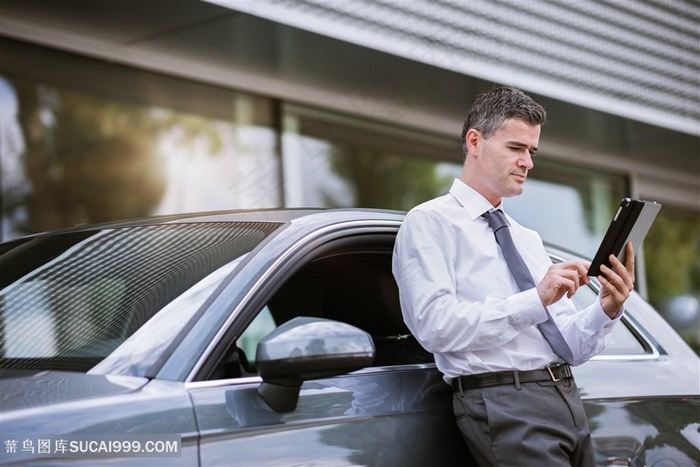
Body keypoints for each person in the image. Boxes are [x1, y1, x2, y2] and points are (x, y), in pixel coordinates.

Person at [392, 86, 635, 466]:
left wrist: (605, 310)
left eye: (532, 152)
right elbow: (434, 326)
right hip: (503, 403)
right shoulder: (429, 222)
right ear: (475, 141)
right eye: (516, 148)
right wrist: (535, 299)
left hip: (566, 397)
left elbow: (567, 345)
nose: (528, 163)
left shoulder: (526, 238)